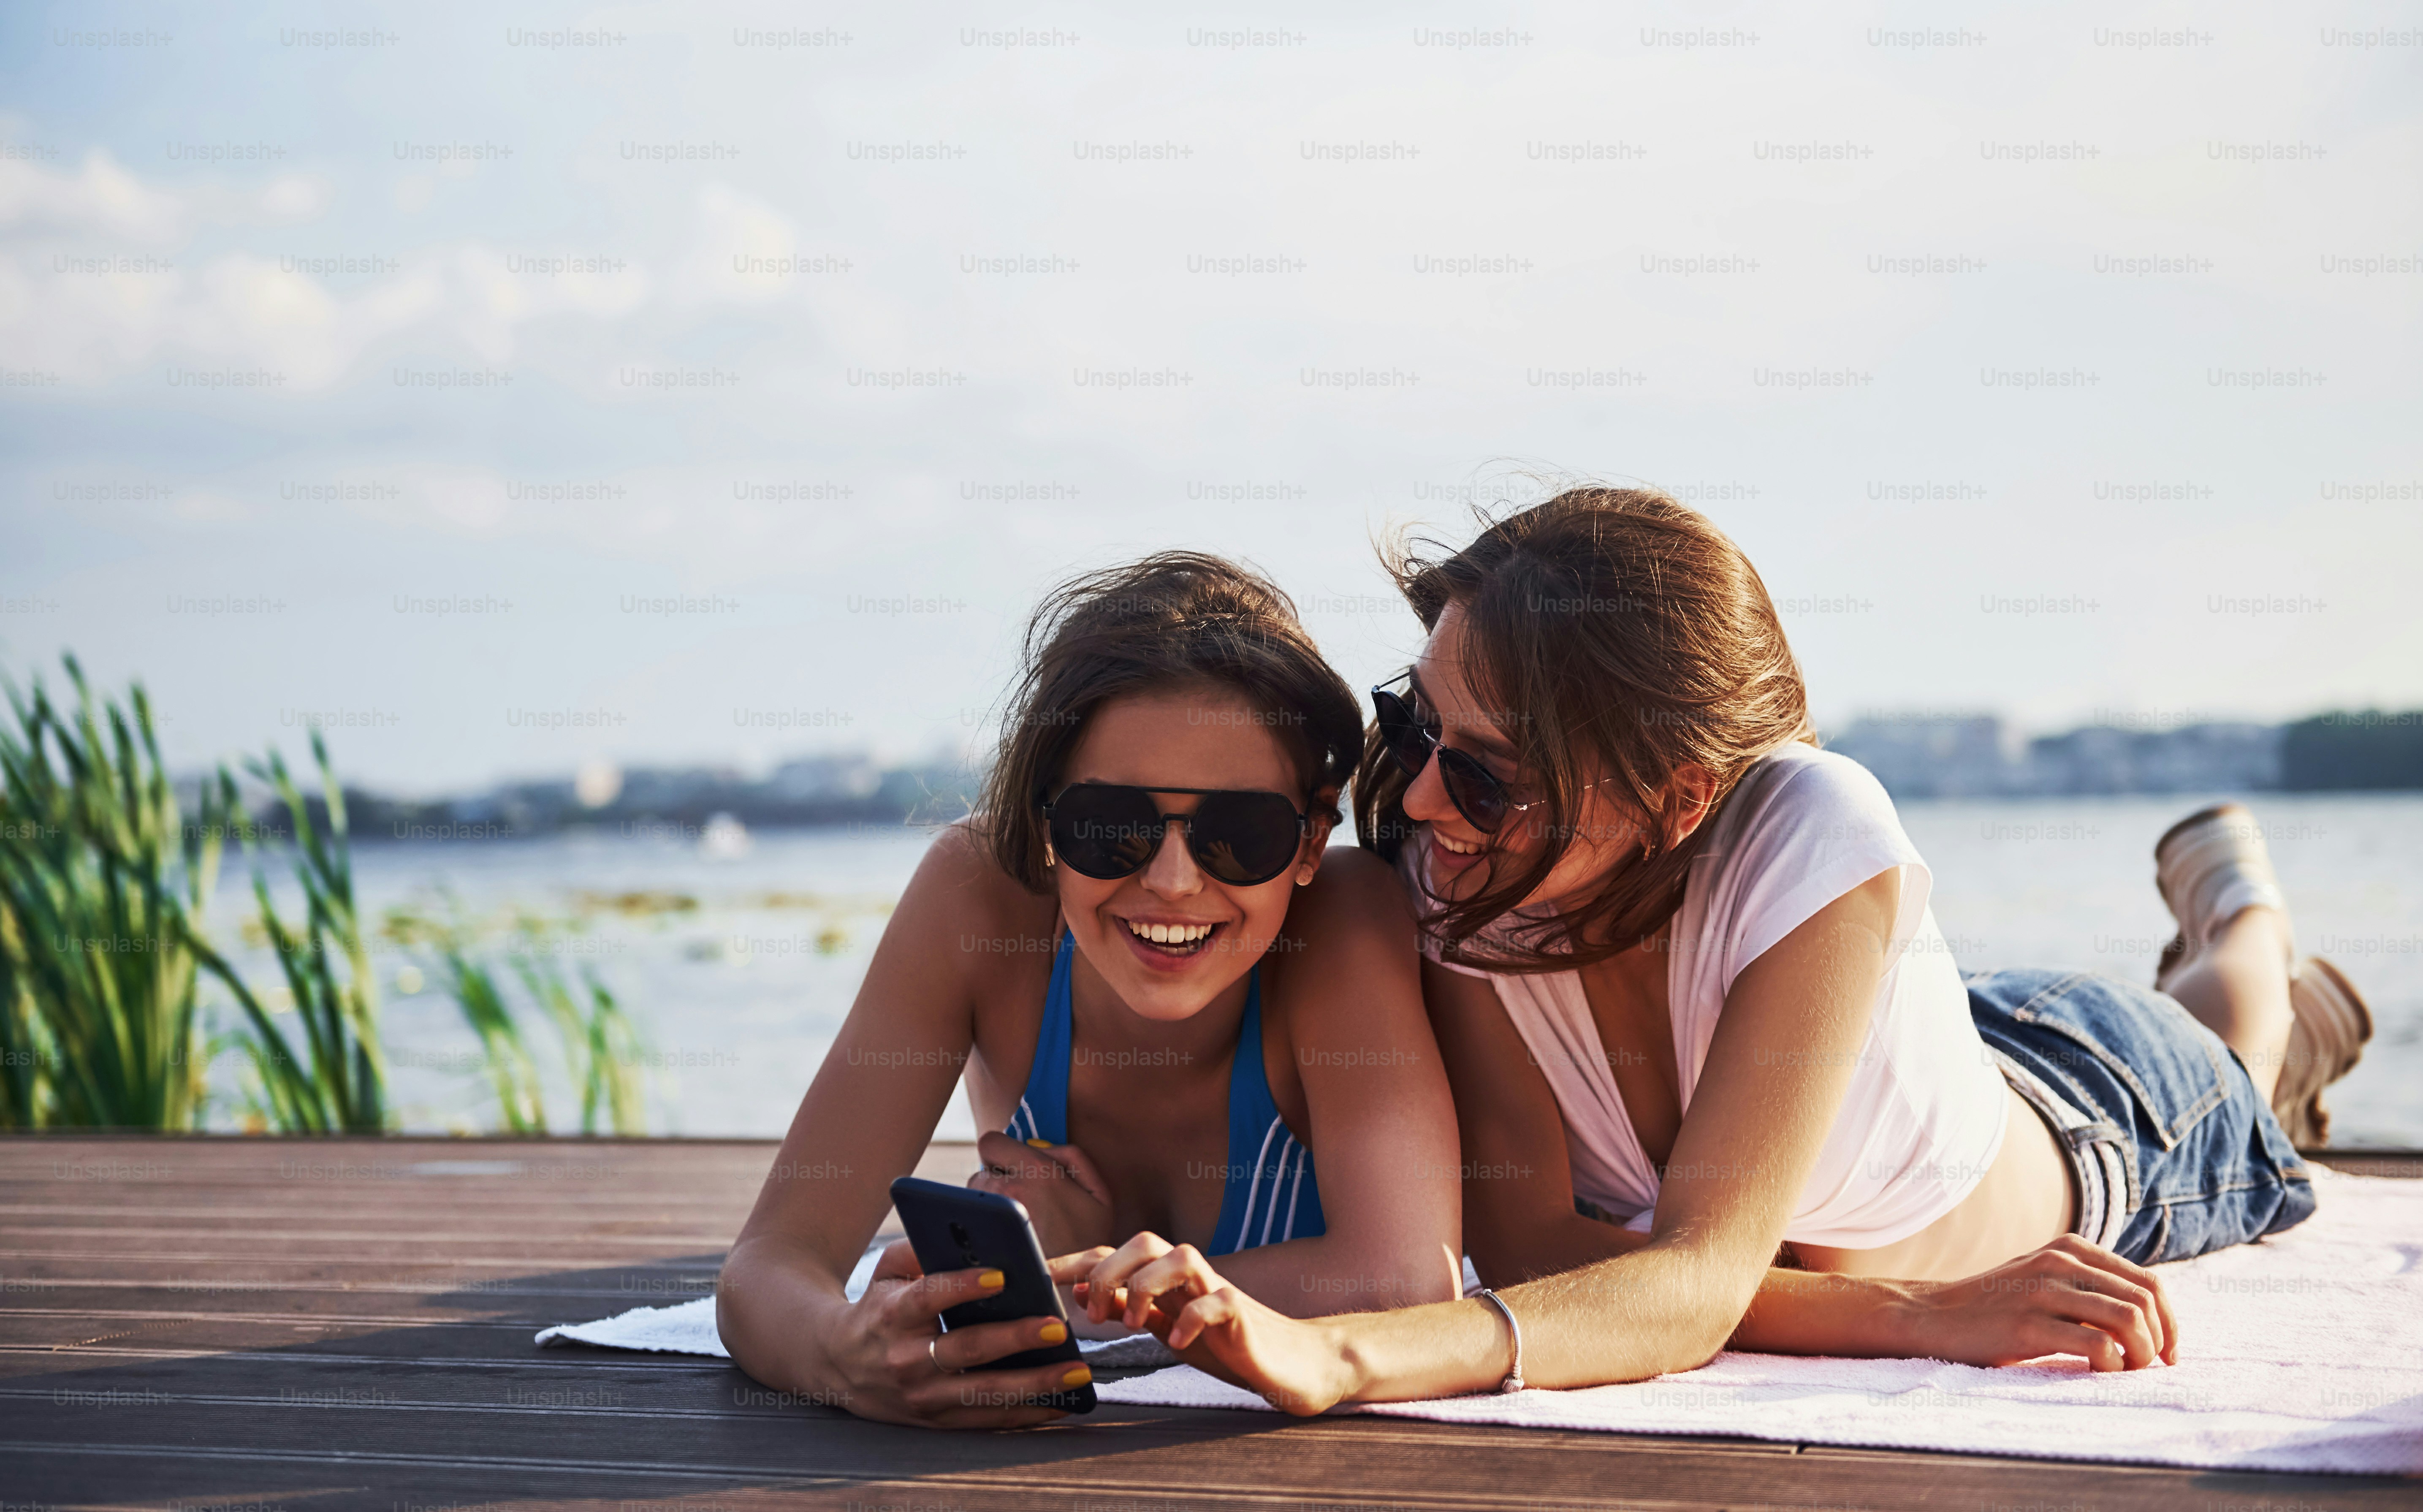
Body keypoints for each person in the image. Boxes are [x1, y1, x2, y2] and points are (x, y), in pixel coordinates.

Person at [1067, 488, 2371, 1412]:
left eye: (1483, 771)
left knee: (2237, 1045)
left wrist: (1343, 1354)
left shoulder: (1814, 825)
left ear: (1680, 797)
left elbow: (1683, 1280)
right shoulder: (1469, 874)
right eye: (1418, 727)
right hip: (1871, 1050)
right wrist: (1911, 1317)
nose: (1413, 799)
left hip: (2100, 1119)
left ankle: (2245, 922)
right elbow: (1533, 1250)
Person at [717, 552, 1462, 1428]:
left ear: (1309, 840)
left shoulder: (1340, 918)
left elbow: (1404, 1280)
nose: (1175, 881)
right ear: (1042, 825)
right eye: (1112, 828)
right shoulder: (976, 898)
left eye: (1241, 833)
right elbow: (768, 1265)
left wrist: (1068, 1281)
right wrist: (845, 1359)